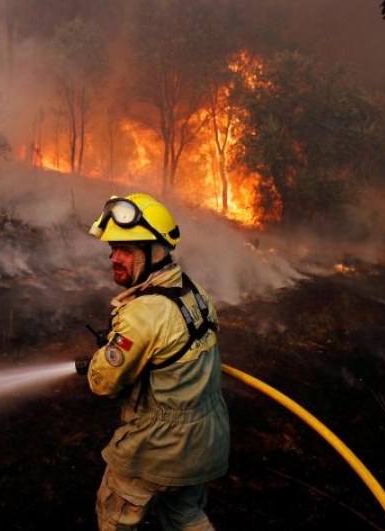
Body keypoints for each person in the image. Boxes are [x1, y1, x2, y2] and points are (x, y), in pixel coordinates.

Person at [82, 193, 229, 531]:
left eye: (126, 250)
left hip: (158, 447)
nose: (115, 258)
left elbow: (102, 382)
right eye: (113, 249)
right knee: (184, 515)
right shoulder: (194, 291)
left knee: (114, 516)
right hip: (204, 442)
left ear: (155, 251)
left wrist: (103, 357)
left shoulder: (144, 314)